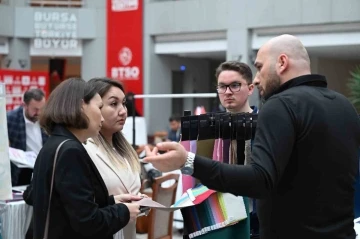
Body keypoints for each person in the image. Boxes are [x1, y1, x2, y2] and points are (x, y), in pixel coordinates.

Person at [144, 34, 360, 239]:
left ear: (282, 62)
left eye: (259, 67)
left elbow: (260, 180)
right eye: (222, 86)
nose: (256, 79)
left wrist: (188, 161)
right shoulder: (344, 106)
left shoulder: (280, 105)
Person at [30, 78, 141, 239]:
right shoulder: (71, 151)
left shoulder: (56, 143)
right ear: (82, 106)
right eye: (99, 107)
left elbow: (71, 205)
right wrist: (123, 211)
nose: (101, 118)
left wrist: (110, 202)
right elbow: (87, 222)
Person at [84, 77, 145, 239]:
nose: (123, 111)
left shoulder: (124, 149)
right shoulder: (84, 149)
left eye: (123, 103)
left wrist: (140, 201)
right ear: (94, 108)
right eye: (113, 104)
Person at [7, 88, 48, 186]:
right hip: (20, 171)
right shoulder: (10, 119)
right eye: (35, 109)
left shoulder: (47, 119)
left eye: (42, 109)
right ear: (25, 105)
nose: (39, 113)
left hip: (43, 166)